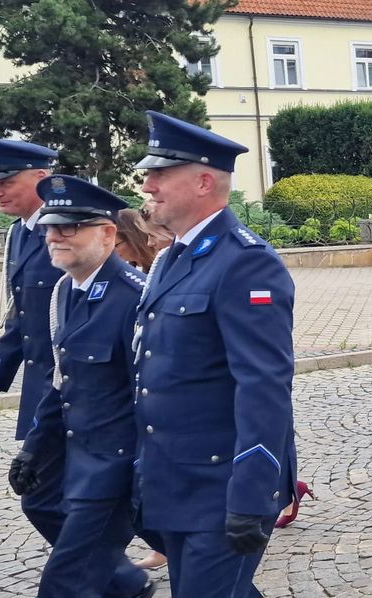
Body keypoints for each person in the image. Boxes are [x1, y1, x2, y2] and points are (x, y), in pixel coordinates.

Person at [131, 110, 298, 597]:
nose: (148, 184)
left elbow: (263, 385)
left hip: (221, 484)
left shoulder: (245, 263)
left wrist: (252, 491)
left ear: (204, 181)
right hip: (175, 479)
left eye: (160, 173)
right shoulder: (172, 257)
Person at [8, 175, 155, 597]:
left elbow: (150, 396)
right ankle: (127, 584)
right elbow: (64, 383)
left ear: (108, 234)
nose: (53, 236)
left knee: (65, 584)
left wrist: (140, 473)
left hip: (117, 470)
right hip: (83, 461)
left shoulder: (136, 298)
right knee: (201, 573)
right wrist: (35, 449)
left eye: (68, 228)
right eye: (50, 227)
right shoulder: (67, 292)